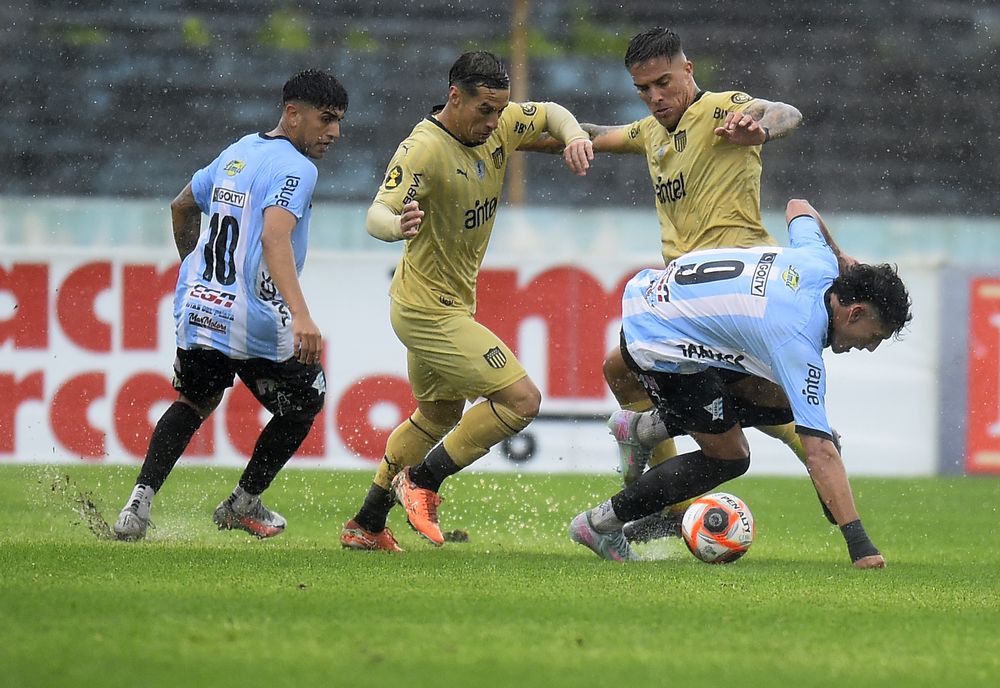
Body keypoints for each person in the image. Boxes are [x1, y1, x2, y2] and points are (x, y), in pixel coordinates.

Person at [522, 26, 807, 538]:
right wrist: (513, 135)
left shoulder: (723, 109)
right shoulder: (650, 133)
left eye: (664, 82)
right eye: (643, 89)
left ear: (688, 70)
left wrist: (761, 129)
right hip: (685, 300)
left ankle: (833, 496)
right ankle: (661, 505)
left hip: (736, 292)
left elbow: (785, 111)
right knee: (623, 369)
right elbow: (592, 131)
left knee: (774, 409)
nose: (655, 97)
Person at [339, 51, 594, 551]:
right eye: (485, 110)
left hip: (445, 303)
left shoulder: (497, 125)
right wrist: (397, 227)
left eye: (500, 110)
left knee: (437, 413)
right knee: (521, 400)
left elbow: (550, 114)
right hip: (424, 310)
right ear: (456, 96)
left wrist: (575, 136)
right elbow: (376, 213)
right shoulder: (423, 150)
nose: (495, 122)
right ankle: (423, 481)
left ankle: (366, 524)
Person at [568, 199, 912, 568]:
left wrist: (840, 253)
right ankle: (600, 523)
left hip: (654, 297)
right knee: (730, 456)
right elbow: (820, 451)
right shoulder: (797, 339)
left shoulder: (820, 260)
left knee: (779, 400)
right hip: (656, 343)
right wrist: (859, 545)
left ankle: (642, 427)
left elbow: (799, 208)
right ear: (855, 311)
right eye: (874, 335)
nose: (870, 346)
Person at [113, 70, 349, 541]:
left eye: (339, 121)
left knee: (195, 399)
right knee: (307, 398)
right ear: (292, 113)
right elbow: (274, 236)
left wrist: (193, 270)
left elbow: (182, 205)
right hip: (255, 318)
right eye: (326, 120)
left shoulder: (239, 151)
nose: (334, 133)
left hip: (201, 308)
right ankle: (243, 503)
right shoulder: (299, 168)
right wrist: (301, 314)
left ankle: (136, 505)